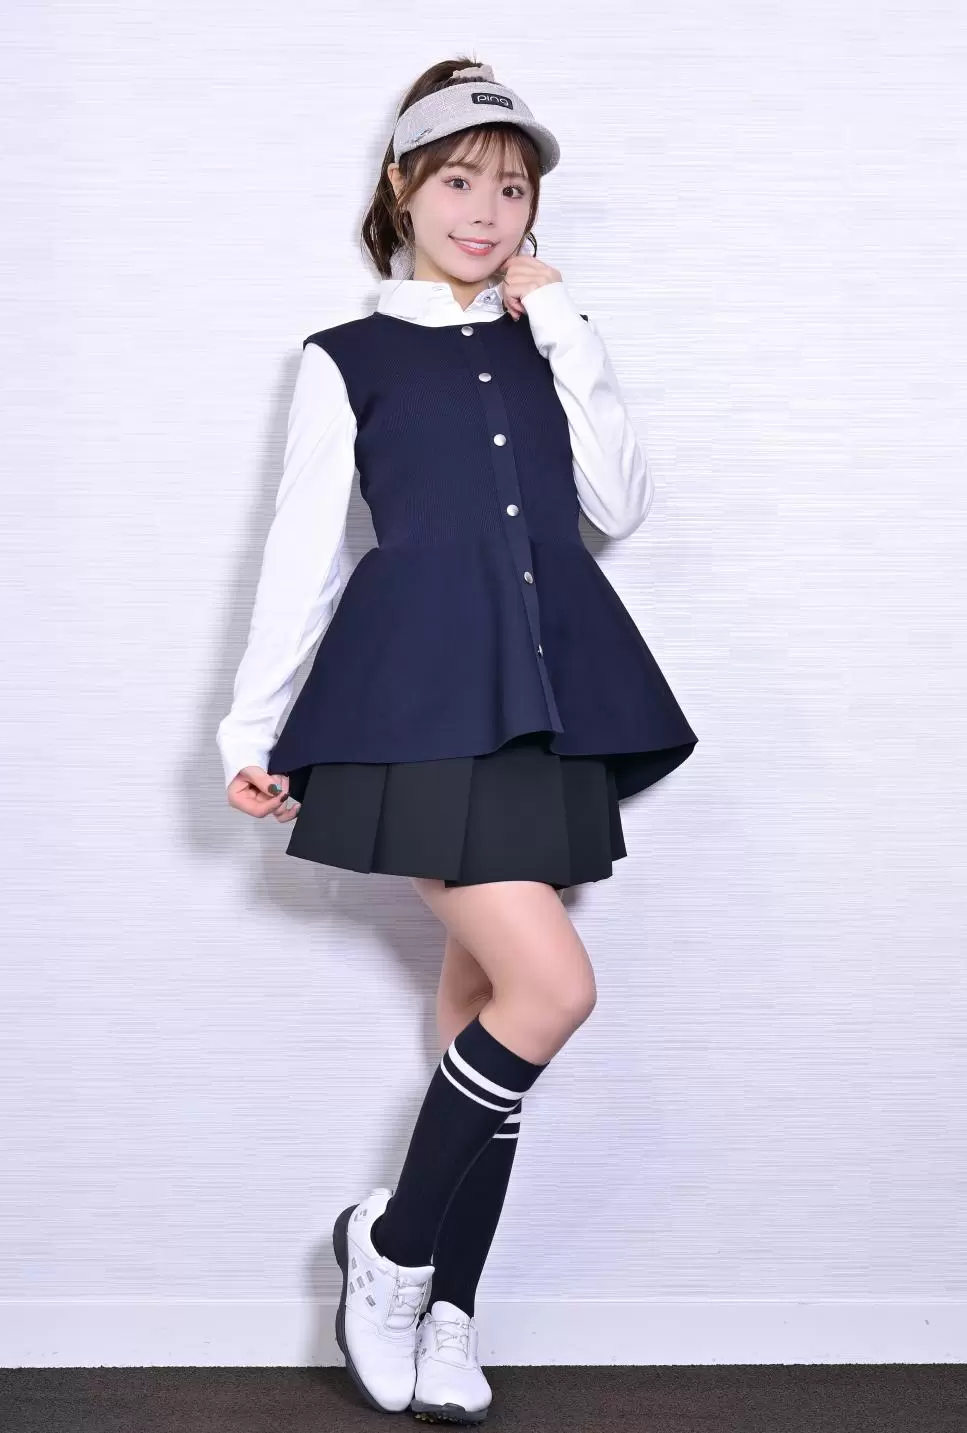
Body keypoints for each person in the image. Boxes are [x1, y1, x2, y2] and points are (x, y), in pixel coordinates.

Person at [217, 57, 698, 1425]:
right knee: (552, 989)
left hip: (545, 696)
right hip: (416, 698)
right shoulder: (346, 358)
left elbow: (619, 504)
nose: (485, 212)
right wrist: (250, 722)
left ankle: (446, 1310)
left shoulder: (551, 338)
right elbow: (303, 552)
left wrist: (568, 328)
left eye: (511, 189)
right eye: (458, 182)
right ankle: (389, 1249)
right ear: (401, 187)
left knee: (483, 1009)